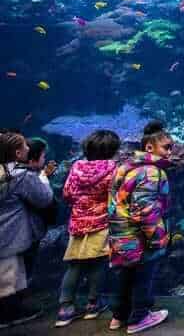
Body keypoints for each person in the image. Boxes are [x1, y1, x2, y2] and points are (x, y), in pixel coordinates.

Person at [107, 121, 173, 334]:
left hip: (120, 234)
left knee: (125, 276)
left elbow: (114, 202)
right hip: (140, 237)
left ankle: (118, 316)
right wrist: (156, 238)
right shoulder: (152, 172)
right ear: (149, 148)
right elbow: (145, 210)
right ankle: (139, 317)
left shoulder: (125, 167)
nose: (170, 151)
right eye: (166, 147)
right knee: (143, 277)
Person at [55, 130, 120, 327]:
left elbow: (67, 194)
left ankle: (65, 308)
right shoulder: (113, 168)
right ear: (113, 150)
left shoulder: (77, 167)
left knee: (75, 264)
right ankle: (93, 303)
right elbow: (116, 196)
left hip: (78, 223)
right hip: (101, 223)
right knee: (98, 263)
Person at [0, 131, 53, 328]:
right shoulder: (20, 176)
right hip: (12, 234)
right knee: (10, 275)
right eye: (25, 147)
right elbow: (44, 198)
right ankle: (9, 315)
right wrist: (43, 178)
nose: (28, 149)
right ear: (17, 153)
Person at [18, 137, 57, 284]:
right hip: (26, 234)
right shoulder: (27, 176)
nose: (45, 158)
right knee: (22, 272)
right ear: (33, 159)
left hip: (19, 233)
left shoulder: (15, 173)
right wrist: (44, 178)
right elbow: (44, 199)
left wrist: (44, 175)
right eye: (43, 156)